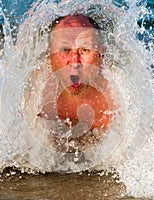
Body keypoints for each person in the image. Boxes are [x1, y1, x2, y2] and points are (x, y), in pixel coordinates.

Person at [24, 14, 117, 152]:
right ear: (49, 53)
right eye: (65, 50)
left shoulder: (115, 95)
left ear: (101, 54)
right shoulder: (39, 87)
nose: (74, 62)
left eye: (84, 50)